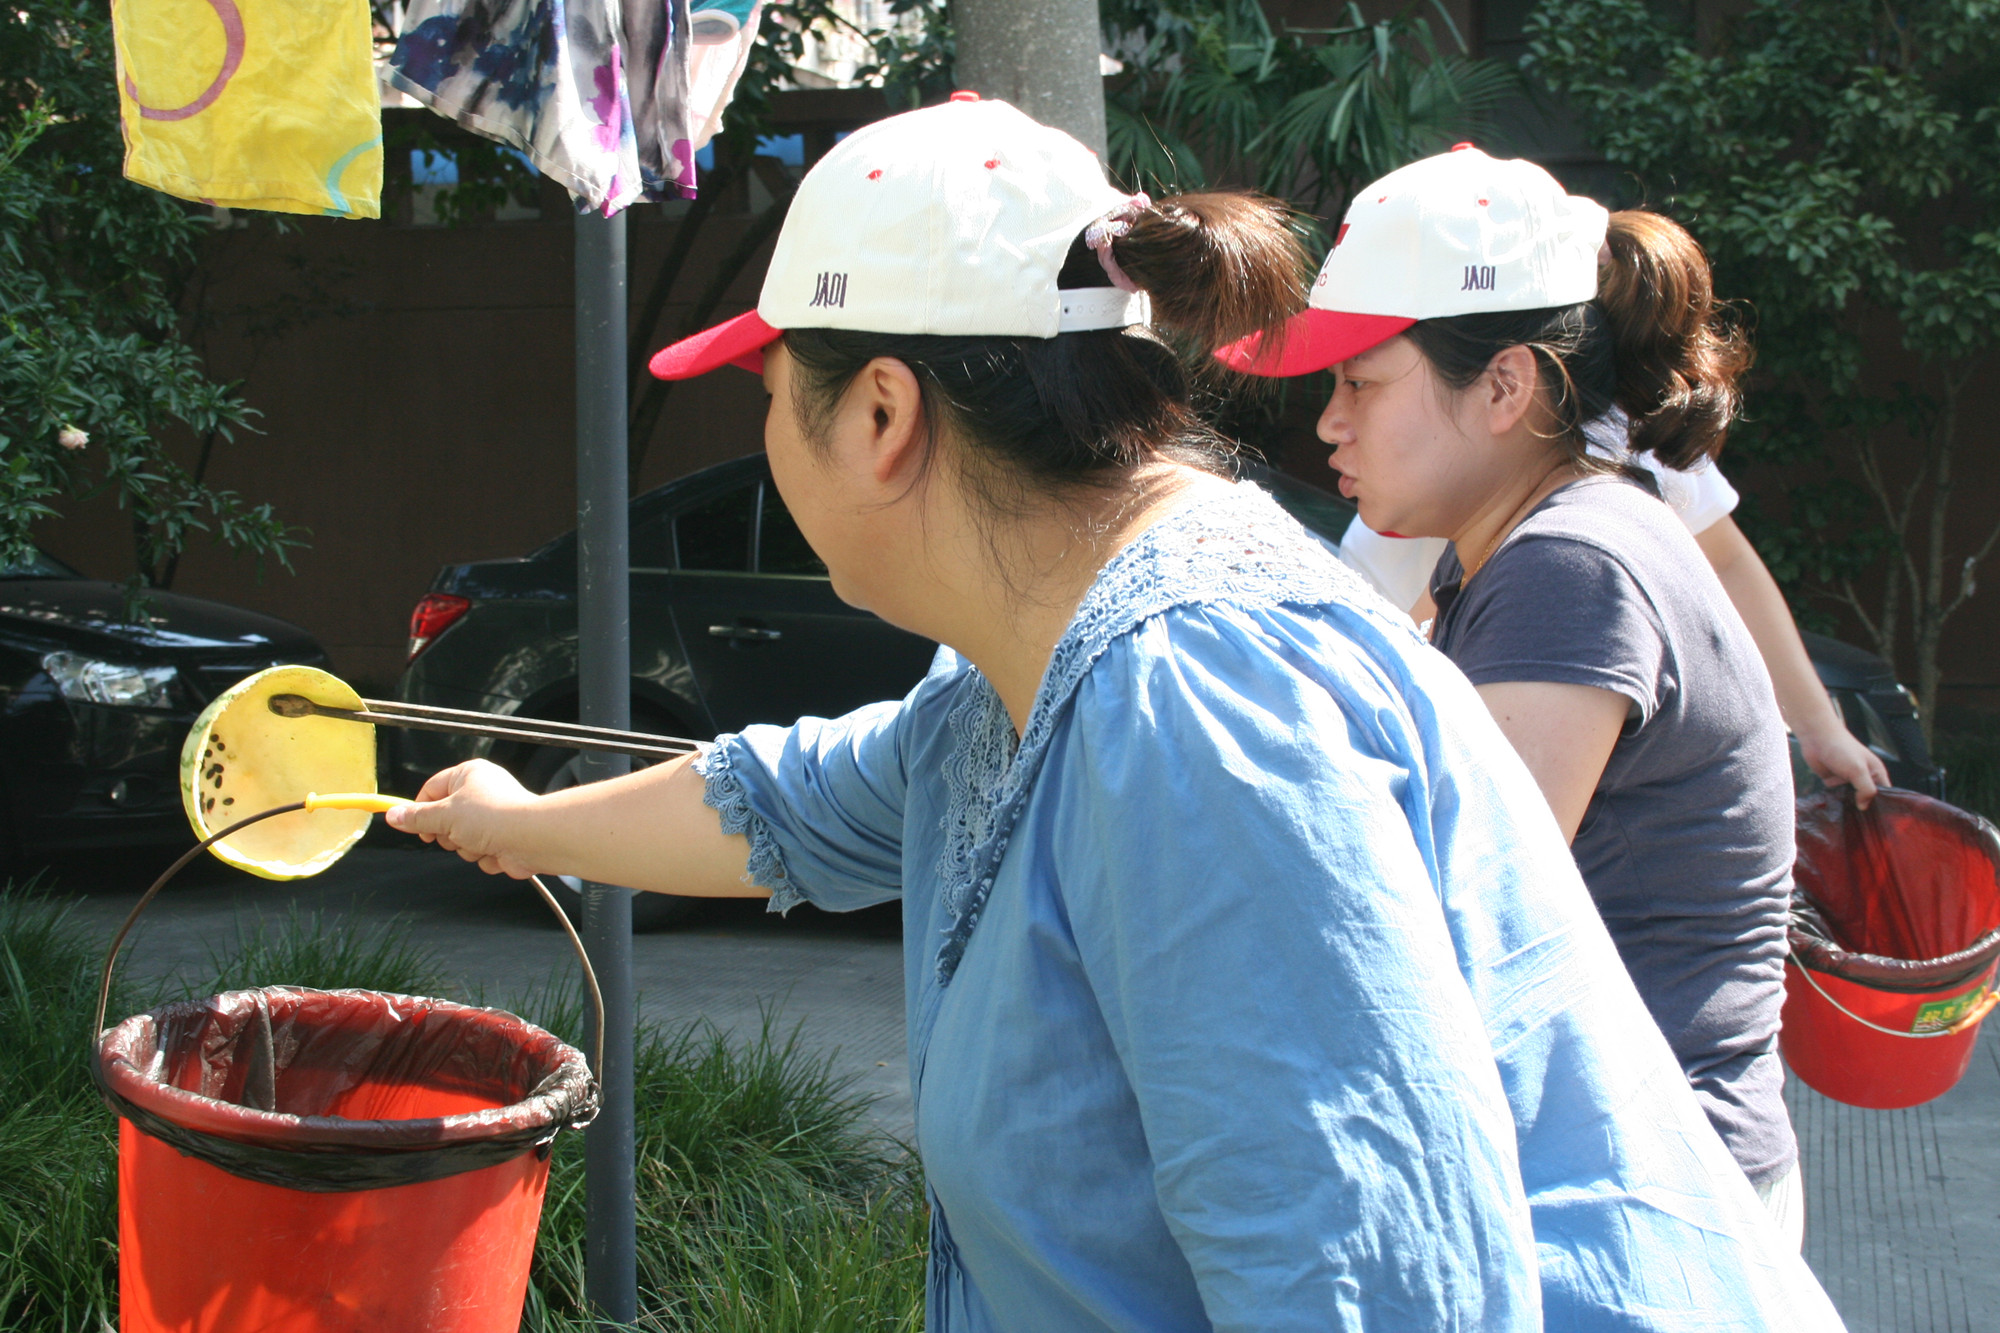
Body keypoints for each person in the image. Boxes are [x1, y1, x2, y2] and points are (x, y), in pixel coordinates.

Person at [390, 101, 1837, 1329]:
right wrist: (519, 823)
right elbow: (796, 802)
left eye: (770, 391)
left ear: (882, 414)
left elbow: (1367, 1290)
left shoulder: (1197, 709)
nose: (764, 436)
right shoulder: (1025, 666)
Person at [1222, 145, 1808, 1243]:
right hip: (1623, 1176)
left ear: (1505, 385)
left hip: (1652, 1208)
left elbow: (1452, 911)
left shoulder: (1566, 570)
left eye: (1360, 382)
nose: (1328, 422)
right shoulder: (1519, 549)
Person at [1338, 423, 1889, 807]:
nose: (1332, 424)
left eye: (1363, 383)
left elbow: (1727, 562)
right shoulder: (1380, 537)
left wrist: (1822, 730)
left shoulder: (1623, 456)